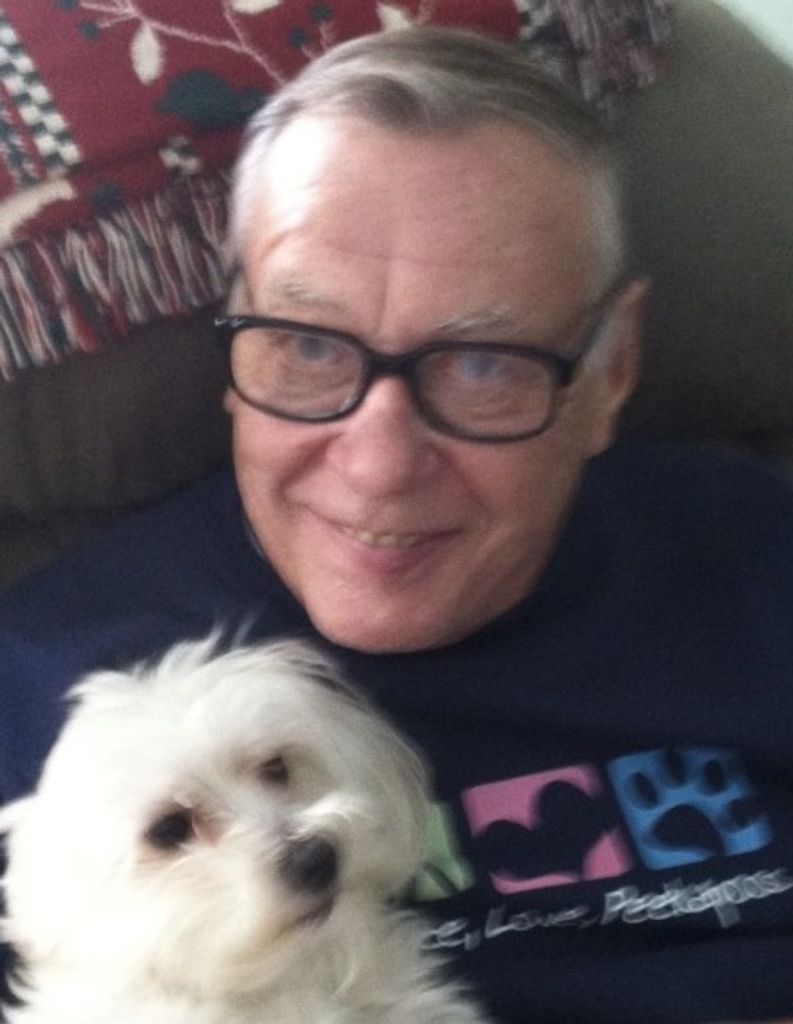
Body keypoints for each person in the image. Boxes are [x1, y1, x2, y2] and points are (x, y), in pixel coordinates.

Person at [2, 26, 793, 1024]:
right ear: (232, 343)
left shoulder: (757, 555)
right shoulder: (25, 688)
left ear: (612, 368)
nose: (377, 465)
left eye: (484, 363)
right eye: (306, 345)